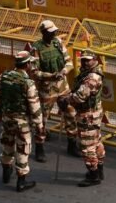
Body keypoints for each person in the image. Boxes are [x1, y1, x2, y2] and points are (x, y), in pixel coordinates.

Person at [31, 20, 78, 162]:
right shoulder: (36, 48)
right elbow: (34, 72)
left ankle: (72, 144)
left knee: (71, 114)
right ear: (44, 33)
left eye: (54, 32)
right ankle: (39, 147)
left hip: (63, 87)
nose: (53, 34)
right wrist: (50, 76)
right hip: (47, 90)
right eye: (51, 32)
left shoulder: (58, 43)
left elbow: (69, 62)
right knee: (42, 119)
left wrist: (63, 71)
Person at [0, 51, 44, 192]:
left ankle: (6, 172)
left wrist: (0, 113)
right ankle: (21, 182)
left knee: (7, 144)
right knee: (23, 149)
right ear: (28, 64)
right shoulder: (28, 83)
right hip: (21, 121)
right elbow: (35, 107)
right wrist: (39, 126)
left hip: (6, 118)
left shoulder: (3, 77)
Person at [58, 53, 105, 187]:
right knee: (96, 142)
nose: (84, 63)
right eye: (83, 60)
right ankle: (99, 169)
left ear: (95, 61)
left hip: (88, 115)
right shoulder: (89, 72)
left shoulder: (92, 77)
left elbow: (80, 96)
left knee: (87, 146)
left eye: (88, 61)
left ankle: (93, 175)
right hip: (92, 113)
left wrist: (67, 99)